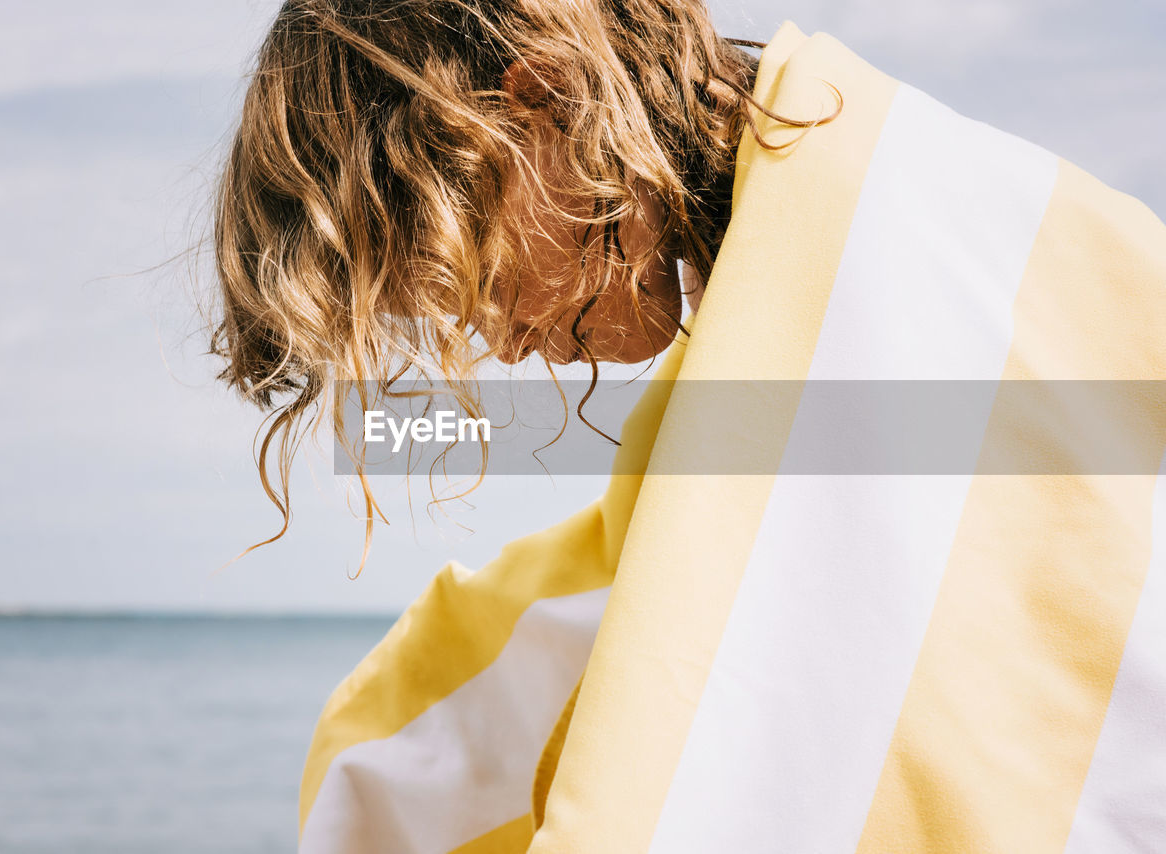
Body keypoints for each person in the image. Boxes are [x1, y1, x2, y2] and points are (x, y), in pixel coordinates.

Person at [209, 1, 1166, 852]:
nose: (497, 337)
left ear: (547, 103)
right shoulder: (799, 229)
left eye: (479, 277)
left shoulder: (855, 251)